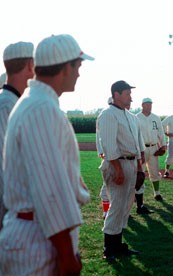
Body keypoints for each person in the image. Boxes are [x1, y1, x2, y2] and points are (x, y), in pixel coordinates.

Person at [0, 34, 93, 275]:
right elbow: (49, 189)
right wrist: (66, 254)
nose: (79, 73)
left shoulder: (34, 102)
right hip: (38, 239)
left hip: (34, 233)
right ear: (65, 67)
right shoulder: (42, 108)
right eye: (78, 66)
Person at [97, 80, 143, 261]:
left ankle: (118, 244)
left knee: (125, 206)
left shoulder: (130, 116)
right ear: (116, 94)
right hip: (118, 164)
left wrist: (139, 167)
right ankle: (109, 248)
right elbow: (109, 146)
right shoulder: (108, 115)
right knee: (116, 205)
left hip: (130, 163)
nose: (130, 96)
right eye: (127, 93)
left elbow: (136, 144)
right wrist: (118, 170)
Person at [0, 41, 34, 230]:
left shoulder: (14, 102)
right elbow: (4, 167)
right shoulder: (6, 105)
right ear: (30, 65)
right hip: (11, 213)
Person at [136, 97, 166, 202]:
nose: (149, 106)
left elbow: (161, 132)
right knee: (140, 173)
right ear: (142, 105)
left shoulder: (156, 118)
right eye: (147, 104)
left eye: (150, 104)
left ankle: (157, 193)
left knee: (154, 171)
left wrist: (163, 145)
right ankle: (137, 195)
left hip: (153, 148)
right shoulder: (136, 117)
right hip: (142, 149)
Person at [97, 96, 113, 219]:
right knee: (107, 185)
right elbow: (99, 136)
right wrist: (101, 151)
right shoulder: (104, 115)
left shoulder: (125, 115)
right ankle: (106, 211)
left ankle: (116, 210)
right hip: (108, 156)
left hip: (122, 157)